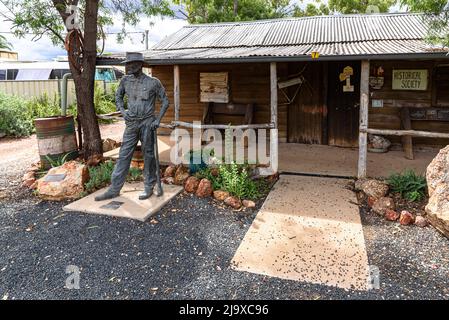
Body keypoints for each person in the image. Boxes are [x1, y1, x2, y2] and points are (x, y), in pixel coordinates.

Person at [95, 52, 169, 201]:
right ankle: (114, 188)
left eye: (131, 64)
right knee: (124, 154)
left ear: (140, 65)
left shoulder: (153, 82)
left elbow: (165, 101)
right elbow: (118, 97)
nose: (128, 67)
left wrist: (157, 120)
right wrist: (123, 112)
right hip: (131, 123)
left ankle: (149, 186)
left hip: (148, 123)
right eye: (127, 64)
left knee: (148, 155)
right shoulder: (125, 81)